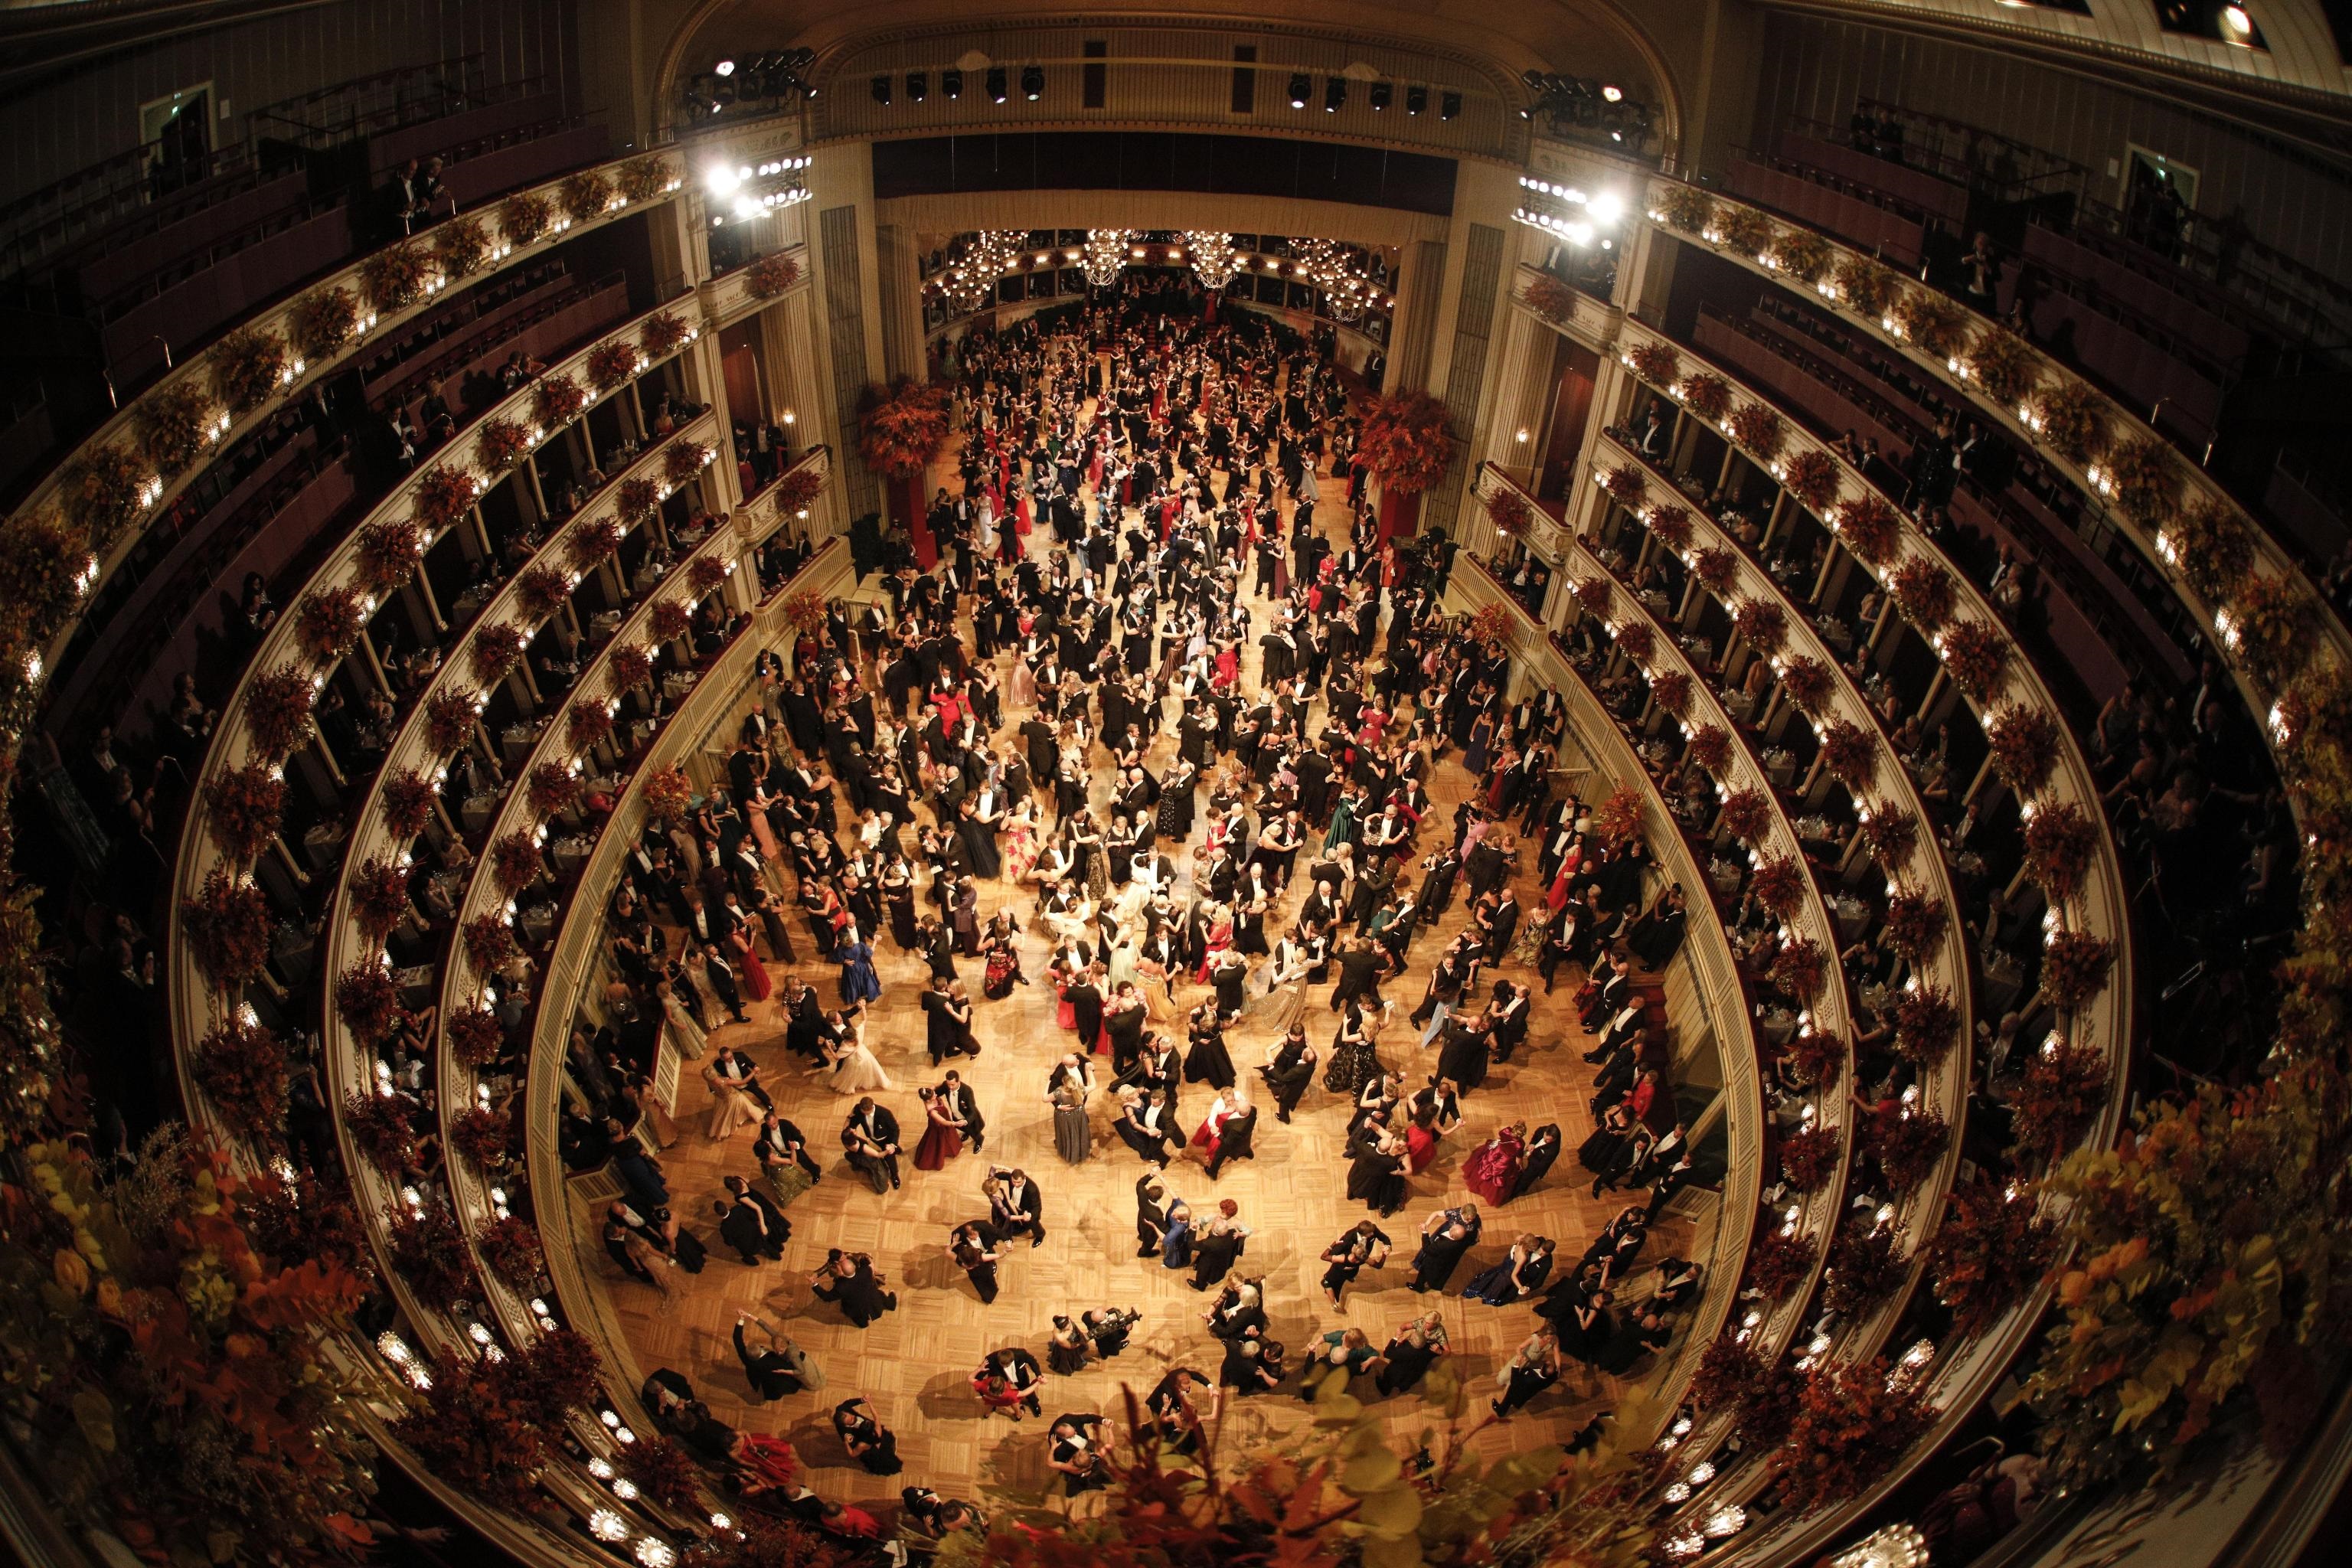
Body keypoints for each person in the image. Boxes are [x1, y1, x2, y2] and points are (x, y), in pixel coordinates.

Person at [734, 1315, 819, 1400]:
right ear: (760, 1348)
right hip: (778, 1383)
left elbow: (737, 1339)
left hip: (761, 1380)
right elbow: (790, 1367)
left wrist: (742, 1318)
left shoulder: (745, 1354)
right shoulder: (773, 1361)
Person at [1410, 1202, 1482, 1292]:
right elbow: (1436, 1213)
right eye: (1467, 1219)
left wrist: (1477, 1239)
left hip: (1457, 1241)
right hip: (1451, 1235)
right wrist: (1427, 1224)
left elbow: (1479, 1228)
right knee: (1433, 1251)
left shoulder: (1475, 1218)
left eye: (1471, 1220)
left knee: (1437, 1256)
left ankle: (1427, 1277)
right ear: (1462, 1213)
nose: (1468, 1222)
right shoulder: (1455, 1213)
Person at [1319, 1219, 1392, 1307]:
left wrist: (1332, 1245)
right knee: (1339, 1280)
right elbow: (1378, 1265)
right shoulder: (1348, 1239)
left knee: (1333, 1281)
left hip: (1349, 1264)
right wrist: (1384, 1255)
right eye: (1370, 1234)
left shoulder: (1372, 1229)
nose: (1373, 1234)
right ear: (1363, 1234)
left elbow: (1385, 1238)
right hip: (1344, 1267)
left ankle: (1333, 1299)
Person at [1377, 1312, 1452, 1396]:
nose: (1424, 1324)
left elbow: (1388, 1353)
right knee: (1407, 1381)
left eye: (1427, 1323)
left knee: (1396, 1378)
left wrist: (1396, 1338)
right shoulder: (1429, 1352)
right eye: (1424, 1321)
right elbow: (1406, 1326)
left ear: (1435, 1325)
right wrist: (1401, 1329)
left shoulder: (1403, 1351)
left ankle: (1386, 1390)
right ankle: (1403, 1388)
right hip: (1414, 1371)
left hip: (1398, 1372)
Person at [1493, 1327, 1562, 1417]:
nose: (1549, 1341)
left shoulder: (1554, 1339)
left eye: (1551, 1338)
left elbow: (1556, 1353)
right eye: (1547, 1338)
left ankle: (1509, 1392)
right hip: (1522, 1360)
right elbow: (1519, 1347)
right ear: (1543, 1333)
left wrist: (1558, 1366)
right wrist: (1520, 1356)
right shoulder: (1534, 1338)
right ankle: (1508, 1387)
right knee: (1506, 1375)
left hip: (1532, 1364)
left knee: (1516, 1381)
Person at [841, 1098, 902, 1192]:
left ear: (872, 1107)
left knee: (890, 1157)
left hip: (886, 1139)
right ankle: (896, 1149)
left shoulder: (885, 1113)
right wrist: (851, 1126)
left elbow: (895, 1129)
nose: (864, 1115)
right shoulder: (858, 1109)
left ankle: (894, 1175)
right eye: (863, 1113)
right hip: (873, 1138)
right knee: (887, 1151)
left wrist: (892, 1145)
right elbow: (853, 1124)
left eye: (867, 1113)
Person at [1463, 1122, 1528, 1205]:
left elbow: (1499, 1138)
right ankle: (1487, 1190)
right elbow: (1518, 1160)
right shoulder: (1520, 1144)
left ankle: (1479, 1183)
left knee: (1485, 1165)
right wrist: (1520, 1168)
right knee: (1498, 1176)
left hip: (1496, 1152)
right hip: (1505, 1161)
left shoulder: (1507, 1130)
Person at [1047, 1413, 1112, 1494]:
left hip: (1078, 1465)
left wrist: (1104, 1421)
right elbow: (1110, 1445)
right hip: (1080, 1465)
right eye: (1073, 1435)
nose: (1076, 1432)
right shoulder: (1060, 1449)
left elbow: (1051, 1463)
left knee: (1070, 1492)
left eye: (1074, 1429)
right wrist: (1109, 1430)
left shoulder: (1071, 1419)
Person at [834, 1397, 903, 1473]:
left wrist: (846, 1442)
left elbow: (852, 1454)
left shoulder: (861, 1445)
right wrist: (869, 1402)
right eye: (851, 1419)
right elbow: (876, 1416)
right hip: (878, 1441)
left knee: (882, 1461)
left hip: (873, 1450)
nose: (853, 1416)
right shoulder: (878, 1430)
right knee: (888, 1455)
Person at [972, 1347, 1045, 1419]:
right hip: (1001, 1383)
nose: (1005, 1367)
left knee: (1026, 1386)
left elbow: (1032, 1361)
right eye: (1002, 1364)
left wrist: (1038, 1374)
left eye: (1007, 1365)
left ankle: (1034, 1403)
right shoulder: (990, 1360)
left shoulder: (1021, 1354)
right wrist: (985, 1394)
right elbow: (978, 1378)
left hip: (1020, 1377)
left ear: (1012, 1360)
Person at [989, 1165, 1045, 1246]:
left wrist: (1029, 1215)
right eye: (1013, 1182)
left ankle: (1040, 1235)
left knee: (1034, 1225)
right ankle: (1026, 1227)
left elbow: (1037, 1206)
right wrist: (1000, 1170)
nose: (1015, 1184)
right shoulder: (1010, 1177)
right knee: (1024, 1223)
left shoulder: (1032, 1189)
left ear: (1024, 1178)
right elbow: (995, 1176)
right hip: (1019, 1206)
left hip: (1029, 1211)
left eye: (1018, 1182)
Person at [913, 1085, 965, 1171]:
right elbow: (943, 1122)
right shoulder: (932, 1111)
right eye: (934, 1096)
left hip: (946, 1118)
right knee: (941, 1140)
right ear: (928, 1100)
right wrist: (955, 1123)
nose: (936, 1095)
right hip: (939, 1126)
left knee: (949, 1136)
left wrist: (947, 1084)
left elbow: (934, 1086)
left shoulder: (929, 1093)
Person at [952, 1220, 1003, 1304]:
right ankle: (992, 1291)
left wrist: (953, 1245)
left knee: (981, 1286)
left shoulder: (962, 1263)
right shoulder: (981, 1258)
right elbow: (999, 1255)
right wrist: (1004, 1252)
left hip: (975, 1275)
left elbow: (948, 1253)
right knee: (990, 1281)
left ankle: (988, 1298)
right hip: (986, 1271)